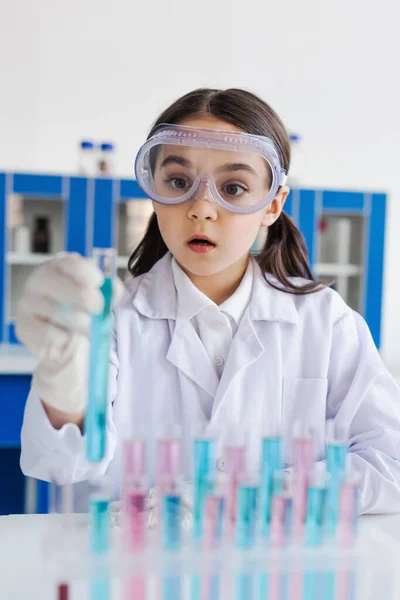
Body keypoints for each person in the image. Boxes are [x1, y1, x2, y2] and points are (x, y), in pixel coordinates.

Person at [17, 88, 400, 514]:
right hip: (140, 572)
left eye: (233, 187)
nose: (201, 208)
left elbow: (390, 464)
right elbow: (58, 463)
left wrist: (252, 498)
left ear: (272, 204)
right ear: (153, 191)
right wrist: (65, 393)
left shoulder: (326, 322)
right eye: (179, 182)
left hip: (277, 571)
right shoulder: (116, 321)